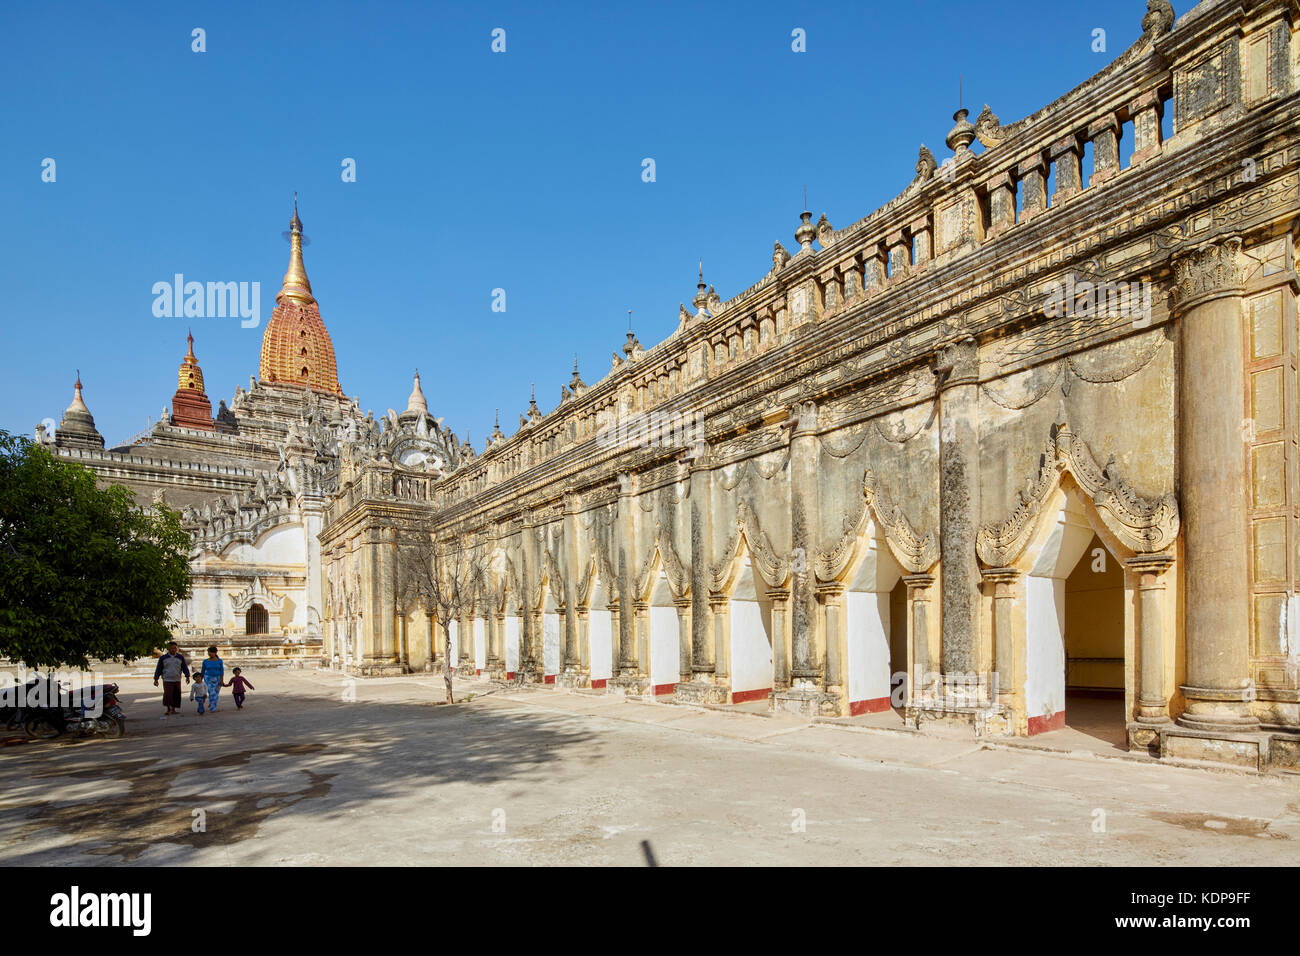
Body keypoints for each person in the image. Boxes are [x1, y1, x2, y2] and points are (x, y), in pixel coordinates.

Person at [152, 641, 190, 717]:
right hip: (167, 679)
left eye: (175, 648)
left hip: (177, 678)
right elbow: (159, 668)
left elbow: (184, 667)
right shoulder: (163, 658)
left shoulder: (180, 657)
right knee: (168, 694)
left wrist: (187, 676)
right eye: (172, 648)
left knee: (176, 694)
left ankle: (173, 709)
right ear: (168, 649)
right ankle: (168, 709)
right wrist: (156, 679)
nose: (173, 649)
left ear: (177, 649)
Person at [200, 646, 225, 712]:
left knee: (216, 693)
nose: (209, 654)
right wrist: (200, 680)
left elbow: (221, 671)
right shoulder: (205, 661)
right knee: (212, 693)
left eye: (211, 652)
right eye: (208, 652)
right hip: (208, 679)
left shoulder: (219, 661)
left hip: (218, 678)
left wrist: (222, 680)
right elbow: (202, 671)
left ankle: (212, 704)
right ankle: (212, 708)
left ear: (215, 652)